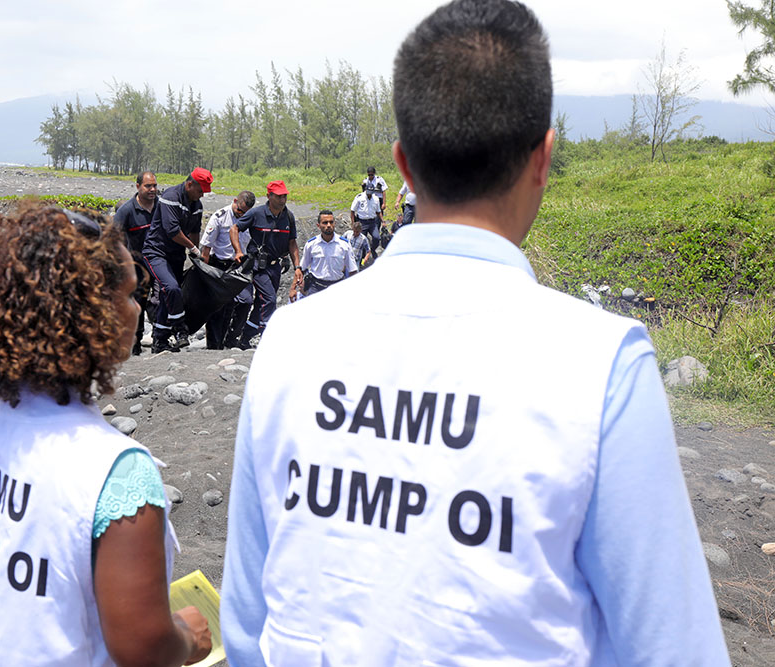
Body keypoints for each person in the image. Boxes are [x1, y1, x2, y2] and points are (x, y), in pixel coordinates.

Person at [221, 1, 730, 665]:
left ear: (403, 166)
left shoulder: (289, 342)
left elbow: (248, 630)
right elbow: (673, 647)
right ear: (544, 156)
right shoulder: (601, 367)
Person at [0, 203, 212, 666]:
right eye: (132, 295)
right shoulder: (116, 470)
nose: (138, 310)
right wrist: (186, 636)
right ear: (92, 311)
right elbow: (143, 646)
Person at [141, 168, 213, 353]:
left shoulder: (196, 205)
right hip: (156, 252)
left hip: (175, 254)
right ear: (189, 184)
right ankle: (181, 329)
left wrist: (196, 256)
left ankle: (160, 341)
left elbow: (195, 231)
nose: (202, 195)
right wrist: (193, 248)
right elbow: (172, 230)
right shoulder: (170, 197)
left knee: (168, 296)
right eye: (200, 190)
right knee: (171, 288)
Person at [230, 180, 299, 349]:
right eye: (279, 196)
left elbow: (292, 243)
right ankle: (266, 335)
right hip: (257, 266)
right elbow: (234, 229)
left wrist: (297, 267)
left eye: (285, 196)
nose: (283, 200)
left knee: (261, 304)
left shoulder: (288, 216)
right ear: (269, 196)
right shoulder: (256, 213)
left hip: (276, 267)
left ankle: (244, 338)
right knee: (269, 300)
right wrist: (238, 251)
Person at [200, 190, 256, 350]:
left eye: (245, 212)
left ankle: (231, 339)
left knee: (245, 302)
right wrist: (205, 271)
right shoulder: (220, 216)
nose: (241, 215)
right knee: (218, 307)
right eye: (239, 211)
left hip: (239, 266)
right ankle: (214, 345)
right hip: (220, 265)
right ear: (234, 201)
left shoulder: (249, 219)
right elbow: (207, 246)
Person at [113, 170, 158, 355]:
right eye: (148, 186)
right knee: (137, 305)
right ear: (138, 186)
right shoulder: (126, 211)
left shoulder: (161, 207)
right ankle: (135, 344)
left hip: (158, 264)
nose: (152, 189)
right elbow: (113, 240)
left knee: (162, 301)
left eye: (155, 185)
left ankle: (160, 340)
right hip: (136, 267)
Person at [294, 209, 358, 298]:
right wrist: (294, 288)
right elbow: (301, 268)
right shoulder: (311, 245)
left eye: (331, 222)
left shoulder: (344, 245)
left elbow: (352, 270)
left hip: (338, 288)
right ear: (318, 226)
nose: (329, 225)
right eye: (325, 223)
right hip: (315, 289)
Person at [350, 185, 384, 255]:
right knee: (361, 240)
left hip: (372, 222)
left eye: (371, 193)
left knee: (376, 238)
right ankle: (362, 255)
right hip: (362, 222)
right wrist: (353, 223)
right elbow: (352, 211)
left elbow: (378, 211)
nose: (369, 194)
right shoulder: (359, 197)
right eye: (368, 192)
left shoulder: (376, 199)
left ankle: (372, 249)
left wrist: (383, 221)